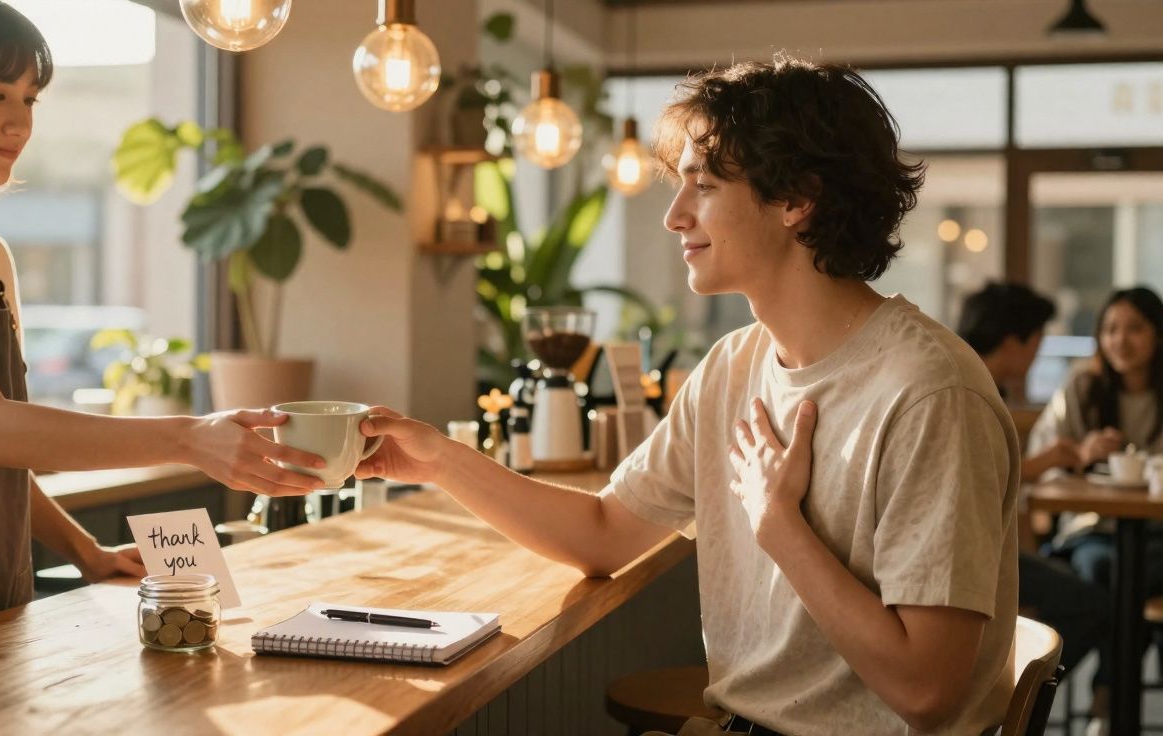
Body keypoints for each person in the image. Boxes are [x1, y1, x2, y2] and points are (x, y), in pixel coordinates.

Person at [355, 57, 1019, 735]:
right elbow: (607, 533)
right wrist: (439, 462)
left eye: (702, 186)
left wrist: (780, 526)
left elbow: (926, 690)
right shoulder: (734, 366)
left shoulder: (929, 392)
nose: (674, 216)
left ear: (796, 199)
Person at [0, 0, 325, 620]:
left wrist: (88, 552)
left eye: (29, 98)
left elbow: (6, 442)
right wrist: (188, 438)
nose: (19, 123)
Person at [1028, 285, 1163, 730]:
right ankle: (1113, 704)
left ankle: (1107, 696)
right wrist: (1082, 454)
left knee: (1130, 575)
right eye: (1110, 329)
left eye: (1135, 329)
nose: (1120, 340)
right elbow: (1041, 466)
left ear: (1158, 334)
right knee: (1113, 571)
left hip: (1157, 531)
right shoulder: (1082, 388)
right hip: (1090, 529)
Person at [956, 281, 1107, 676]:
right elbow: (973, 478)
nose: (1038, 353)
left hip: (978, 552)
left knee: (1093, 586)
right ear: (1014, 341)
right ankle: (1015, 698)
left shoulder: (968, 377)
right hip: (967, 559)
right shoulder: (972, 390)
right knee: (1094, 602)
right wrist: (1041, 463)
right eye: (1038, 340)